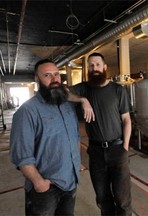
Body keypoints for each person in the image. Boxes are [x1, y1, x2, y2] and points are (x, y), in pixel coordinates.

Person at [9, 59, 85, 215]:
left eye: (56, 74)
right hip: (46, 189)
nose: (54, 79)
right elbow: (21, 155)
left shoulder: (67, 106)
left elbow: (75, 137)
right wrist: (39, 182)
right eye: (47, 75)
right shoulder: (27, 111)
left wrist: (76, 165)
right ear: (37, 79)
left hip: (70, 182)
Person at [69, 52, 132, 216]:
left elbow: (126, 120)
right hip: (95, 152)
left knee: (122, 198)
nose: (94, 68)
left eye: (97, 64)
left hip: (117, 149)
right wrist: (82, 100)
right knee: (102, 198)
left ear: (104, 67)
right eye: (90, 65)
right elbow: (62, 92)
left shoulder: (118, 90)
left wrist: (125, 147)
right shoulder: (83, 88)